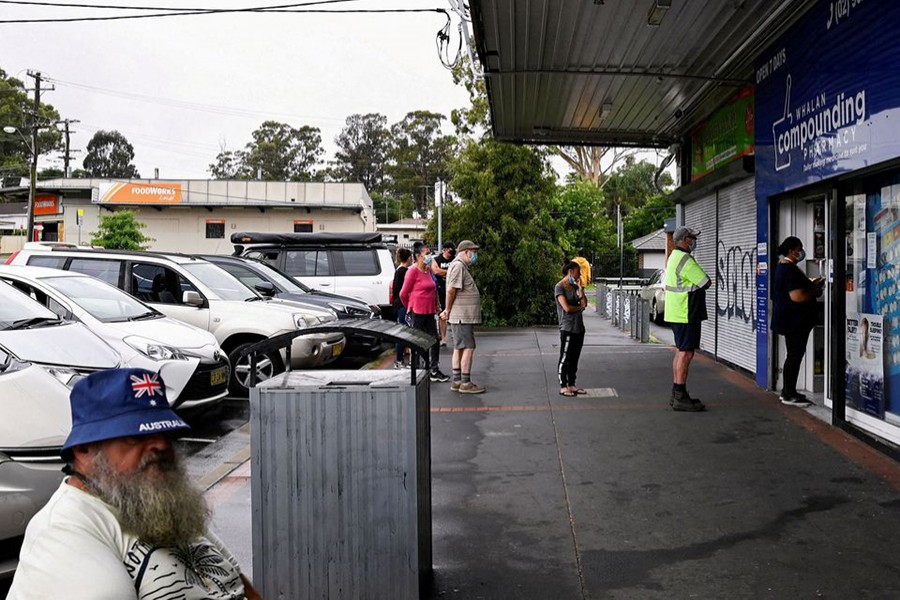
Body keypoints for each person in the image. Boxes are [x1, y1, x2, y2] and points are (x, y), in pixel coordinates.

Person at [8, 367, 262, 599]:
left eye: (165, 433)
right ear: (84, 449)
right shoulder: (65, 530)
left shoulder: (161, 502)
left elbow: (238, 582)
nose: (161, 445)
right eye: (135, 436)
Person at [664, 226, 711, 412]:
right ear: (685, 240)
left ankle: (677, 392)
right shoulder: (685, 259)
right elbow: (705, 281)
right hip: (686, 312)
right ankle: (680, 396)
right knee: (686, 353)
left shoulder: (673, 257)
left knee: (681, 351)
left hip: (677, 312)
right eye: (692, 238)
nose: (694, 242)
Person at [771, 236, 823, 406]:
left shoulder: (783, 267)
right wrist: (814, 292)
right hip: (795, 321)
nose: (801, 253)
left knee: (792, 355)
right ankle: (789, 393)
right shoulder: (789, 270)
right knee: (795, 356)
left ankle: (788, 390)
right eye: (799, 249)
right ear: (792, 250)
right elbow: (797, 296)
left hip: (789, 319)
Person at [400, 241, 450, 382]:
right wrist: (410, 307)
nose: (429, 256)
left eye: (429, 253)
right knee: (417, 341)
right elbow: (403, 294)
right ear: (418, 256)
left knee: (434, 340)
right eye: (427, 254)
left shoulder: (428, 270)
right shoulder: (412, 271)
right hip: (417, 312)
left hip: (429, 312)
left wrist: (437, 306)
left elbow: (433, 289)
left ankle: (434, 369)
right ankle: (416, 369)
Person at [440, 240, 485, 394]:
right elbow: (451, 290)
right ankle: (465, 382)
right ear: (466, 252)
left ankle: (457, 380)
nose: (475, 255)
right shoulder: (458, 266)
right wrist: (447, 309)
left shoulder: (458, 266)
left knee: (459, 347)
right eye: (474, 252)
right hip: (462, 316)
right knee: (468, 347)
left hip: (460, 316)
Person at [556, 261, 588, 397]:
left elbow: (584, 303)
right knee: (565, 356)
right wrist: (580, 307)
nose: (579, 274)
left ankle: (572, 384)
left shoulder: (575, 286)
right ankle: (563, 385)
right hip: (567, 327)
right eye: (577, 271)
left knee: (575, 357)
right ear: (570, 271)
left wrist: (580, 289)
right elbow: (567, 308)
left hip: (579, 327)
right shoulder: (559, 287)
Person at [392, 247, 414, 368]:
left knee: (403, 332)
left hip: (398, 304)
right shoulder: (404, 272)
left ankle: (400, 360)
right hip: (403, 305)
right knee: (405, 333)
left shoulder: (398, 270)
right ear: (409, 258)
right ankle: (400, 360)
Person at [432, 241, 456, 346]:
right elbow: (436, 271)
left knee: (454, 313)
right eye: (450, 251)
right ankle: (443, 338)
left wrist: (445, 271)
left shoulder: (454, 259)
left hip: (453, 289)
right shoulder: (437, 259)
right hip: (441, 289)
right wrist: (450, 271)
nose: (451, 253)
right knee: (442, 314)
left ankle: (455, 335)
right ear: (445, 250)